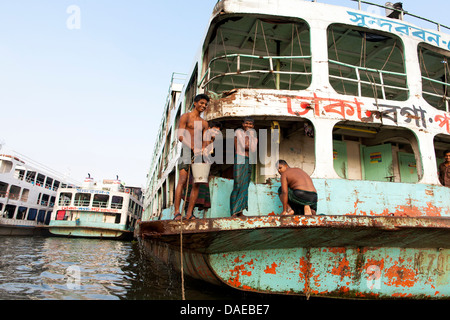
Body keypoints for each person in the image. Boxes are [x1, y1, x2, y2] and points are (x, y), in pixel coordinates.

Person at [174, 94, 210, 220]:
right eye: (201, 103)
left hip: (199, 154)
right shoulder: (186, 116)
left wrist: (204, 149)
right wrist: (193, 147)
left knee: (196, 183)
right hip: (187, 149)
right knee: (182, 181)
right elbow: (180, 136)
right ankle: (177, 212)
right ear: (195, 103)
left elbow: (206, 140)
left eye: (205, 104)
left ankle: (189, 214)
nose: (203, 106)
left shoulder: (204, 123)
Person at [230, 117, 258, 217]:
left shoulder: (253, 135)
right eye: (247, 123)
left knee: (245, 185)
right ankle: (233, 212)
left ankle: (240, 211)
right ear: (243, 124)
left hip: (248, 160)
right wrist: (249, 143)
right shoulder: (238, 131)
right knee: (238, 184)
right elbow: (243, 146)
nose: (248, 126)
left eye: (251, 124)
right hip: (239, 158)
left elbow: (253, 149)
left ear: (253, 126)